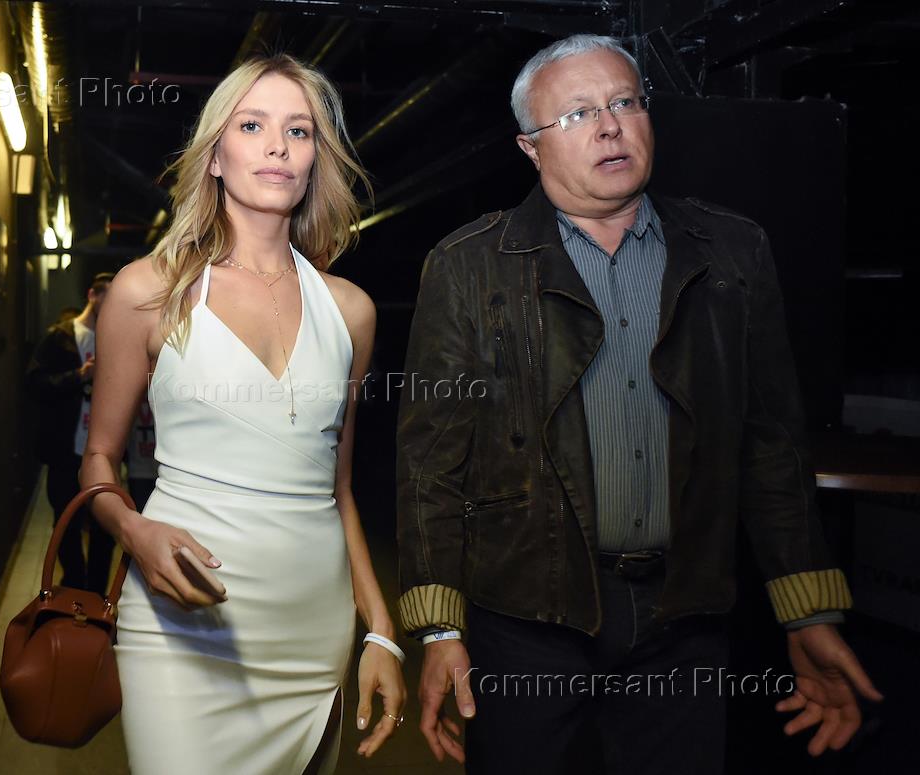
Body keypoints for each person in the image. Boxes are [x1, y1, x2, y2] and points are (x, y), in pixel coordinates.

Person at [395, 33, 882, 775]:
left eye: (625, 102)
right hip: (524, 622)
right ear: (530, 147)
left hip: (684, 618)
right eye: (578, 113)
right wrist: (439, 632)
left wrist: (808, 610)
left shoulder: (732, 253)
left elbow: (771, 446)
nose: (610, 126)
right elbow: (430, 465)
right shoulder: (468, 266)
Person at [81, 54, 407, 774]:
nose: (278, 146)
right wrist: (133, 531)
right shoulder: (147, 292)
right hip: (182, 625)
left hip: (310, 634)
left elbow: (339, 489)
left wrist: (381, 627)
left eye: (299, 130)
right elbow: (98, 459)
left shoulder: (350, 311)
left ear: (315, 159)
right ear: (215, 155)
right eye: (252, 125)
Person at [26, 272, 116, 594]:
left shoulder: (116, 338)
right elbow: (35, 384)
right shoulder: (60, 337)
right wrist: (79, 376)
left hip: (104, 451)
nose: (115, 306)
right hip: (65, 449)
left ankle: (97, 597)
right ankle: (75, 586)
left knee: (105, 527)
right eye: (110, 298)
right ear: (92, 295)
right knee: (66, 524)